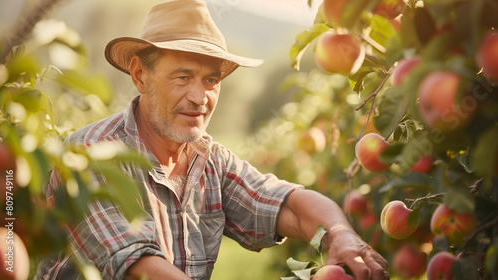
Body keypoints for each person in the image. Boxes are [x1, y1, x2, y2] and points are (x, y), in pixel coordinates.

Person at [35, 1, 389, 279]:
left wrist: (339, 235)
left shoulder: (209, 161)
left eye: (210, 80)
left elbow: (289, 204)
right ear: (140, 75)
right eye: (183, 76)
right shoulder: (91, 155)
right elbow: (137, 268)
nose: (199, 97)